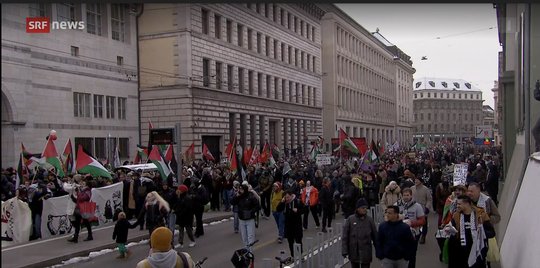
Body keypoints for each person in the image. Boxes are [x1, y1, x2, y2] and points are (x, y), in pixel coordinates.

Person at [444, 195, 492, 268]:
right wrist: (449, 230)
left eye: (459, 204)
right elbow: (452, 230)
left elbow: (491, 232)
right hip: (460, 253)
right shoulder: (456, 215)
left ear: (467, 204)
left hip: (476, 252)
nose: (457, 206)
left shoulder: (481, 215)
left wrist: (481, 233)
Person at [342, 198, 378, 268]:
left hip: (366, 252)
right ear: (358, 208)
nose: (365, 209)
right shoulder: (350, 219)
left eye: (366, 208)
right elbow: (345, 236)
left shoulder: (369, 220)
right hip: (354, 252)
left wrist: (378, 250)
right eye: (363, 208)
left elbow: (375, 236)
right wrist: (344, 250)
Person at [394, 188, 425, 268]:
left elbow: (422, 221)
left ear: (411, 195)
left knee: (411, 256)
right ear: (401, 195)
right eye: (404, 195)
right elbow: (390, 218)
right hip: (399, 235)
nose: (406, 197)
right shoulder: (396, 205)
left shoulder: (417, 206)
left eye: (407, 195)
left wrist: (412, 223)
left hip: (414, 234)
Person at [231, 183, 260, 252]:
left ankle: (250, 251)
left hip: (250, 219)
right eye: (239, 189)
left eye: (241, 189)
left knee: (250, 236)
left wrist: (251, 212)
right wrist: (236, 196)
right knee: (244, 237)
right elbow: (232, 202)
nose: (240, 190)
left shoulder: (251, 196)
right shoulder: (239, 197)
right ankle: (246, 250)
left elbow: (258, 206)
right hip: (242, 219)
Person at [277, 189, 305, 258]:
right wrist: (282, 202)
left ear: (291, 196)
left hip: (297, 225)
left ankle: (301, 255)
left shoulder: (297, 201)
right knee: (290, 242)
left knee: (298, 241)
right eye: (285, 197)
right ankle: (293, 256)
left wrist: (297, 210)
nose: (287, 199)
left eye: (288, 197)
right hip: (288, 226)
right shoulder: (284, 203)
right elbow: (278, 209)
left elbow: (304, 210)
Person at [67, 179, 93, 243]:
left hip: (84, 208)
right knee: (78, 223)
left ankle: (90, 235)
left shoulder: (87, 191)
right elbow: (78, 200)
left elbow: (83, 198)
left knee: (86, 222)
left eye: (83, 184)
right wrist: (73, 197)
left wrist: (78, 192)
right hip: (80, 208)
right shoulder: (83, 191)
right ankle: (76, 237)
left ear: (87, 186)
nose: (82, 185)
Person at [410, 177, 432, 244]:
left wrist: (427, 207)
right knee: (414, 223)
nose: (416, 181)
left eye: (417, 180)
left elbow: (429, 199)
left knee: (423, 223)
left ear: (421, 181)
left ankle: (423, 236)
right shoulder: (412, 188)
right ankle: (414, 235)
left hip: (423, 208)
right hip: (413, 208)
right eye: (415, 180)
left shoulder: (425, 189)